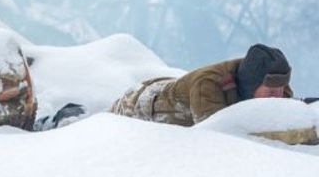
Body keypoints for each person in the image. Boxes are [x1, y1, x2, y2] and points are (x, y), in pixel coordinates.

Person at [107, 44, 293, 126]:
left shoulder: (277, 89)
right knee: (106, 122)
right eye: (271, 92)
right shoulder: (209, 86)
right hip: (142, 104)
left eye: (281, 89)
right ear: (251, 84)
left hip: (178, 88)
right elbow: (215, 139)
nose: (279, 96)